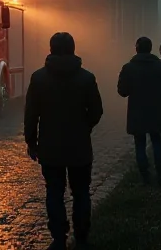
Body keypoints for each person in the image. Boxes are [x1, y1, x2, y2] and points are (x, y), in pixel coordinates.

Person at [24, 32, 103, 250]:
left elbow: (31, 114)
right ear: (73, 49)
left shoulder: (38, 78)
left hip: (50, 146)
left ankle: (58, 238)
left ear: (51, 49)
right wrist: (84, 127)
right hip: (79, 145)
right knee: (81, 192)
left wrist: (31, 140)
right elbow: (97, 111)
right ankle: (82, 237)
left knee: (54, 192)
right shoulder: (86, 78)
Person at [118, 37, 161, 185]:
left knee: (140, 144)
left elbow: (122, 91)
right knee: (157, 142)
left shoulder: (129, 67)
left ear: (136, 48)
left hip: (137, 112)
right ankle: (160, 175)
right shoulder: (159, 67)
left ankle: (145, 176)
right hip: (156, 110)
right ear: (151, 49)